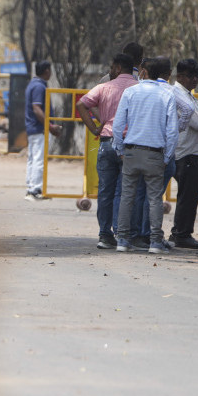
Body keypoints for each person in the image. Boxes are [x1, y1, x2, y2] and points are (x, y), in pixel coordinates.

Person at [111, 57, 178, 253]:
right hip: (155, 154)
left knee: (127, 196)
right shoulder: (167, 95)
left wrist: (120, 150)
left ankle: (122, 240)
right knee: (155, 198)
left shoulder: (131, 92)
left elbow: (117, 126)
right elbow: (172, 132)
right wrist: (167, 157)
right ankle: (155, 242)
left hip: (131, 151)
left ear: (144, 72)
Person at [77, 53, 138, 249]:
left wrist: (95, 128)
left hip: (105, 142)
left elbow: (81, 104)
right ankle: (120, 233)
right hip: (129, 144)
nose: (110, 71)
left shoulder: (104, 87)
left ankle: (104, 235)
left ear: (118, 67)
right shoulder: (138, 88)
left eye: (112, 67)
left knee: (105, 190)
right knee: (123, 191)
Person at [169, 58, 198, 249]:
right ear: (180, 76)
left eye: (196, 76)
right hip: (186, 153)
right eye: (190, 76)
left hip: (190, 151)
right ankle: (182, 234)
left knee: (190, 193)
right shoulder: (179, 95)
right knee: (189, 193)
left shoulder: (187, 95)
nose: (194, 80)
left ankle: (181, 233)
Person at [23, 61, 63, 200]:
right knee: (39, 159)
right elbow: (37, 108)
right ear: (46, 71)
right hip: (39, 128)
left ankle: (30, 187)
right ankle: (35, 189)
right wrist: (50, 126)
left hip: (33, 127)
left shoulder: (33, 84)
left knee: (33, 159)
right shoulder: (39, 87)